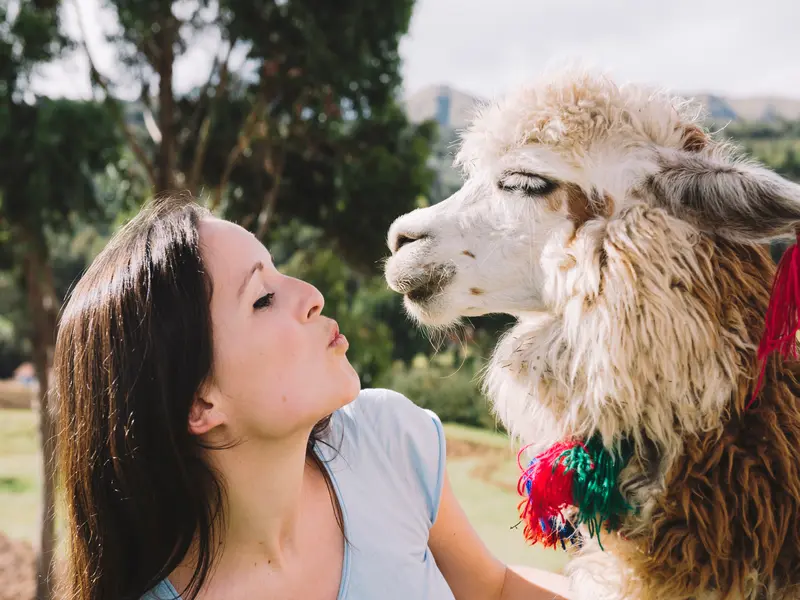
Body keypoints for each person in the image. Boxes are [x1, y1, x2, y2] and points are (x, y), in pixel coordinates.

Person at [53, 194, 571, 600]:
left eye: (279, 271)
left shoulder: (386, 442)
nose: (310, 295)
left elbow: (493, 590)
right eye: (262, 298)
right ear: (200, 405)